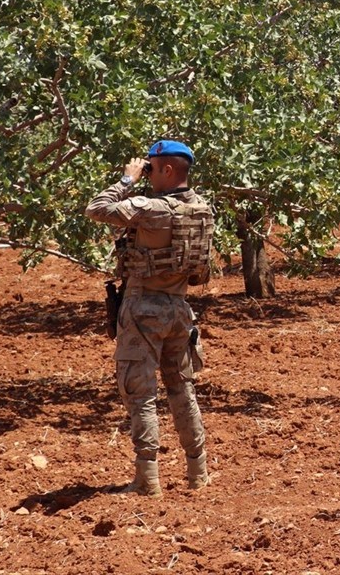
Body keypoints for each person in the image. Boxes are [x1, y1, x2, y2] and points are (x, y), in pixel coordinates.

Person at [86, 140, 214, 496]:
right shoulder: (203, 210)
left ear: (168, 170)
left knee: (139, 394)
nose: (147, 174)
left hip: (143, 309)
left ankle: (147, 479)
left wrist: (127, 180)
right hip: (179, 310)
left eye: (152, 169)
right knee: (181, 389)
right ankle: (197, 472)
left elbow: (96, 208)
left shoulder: (153, 209)